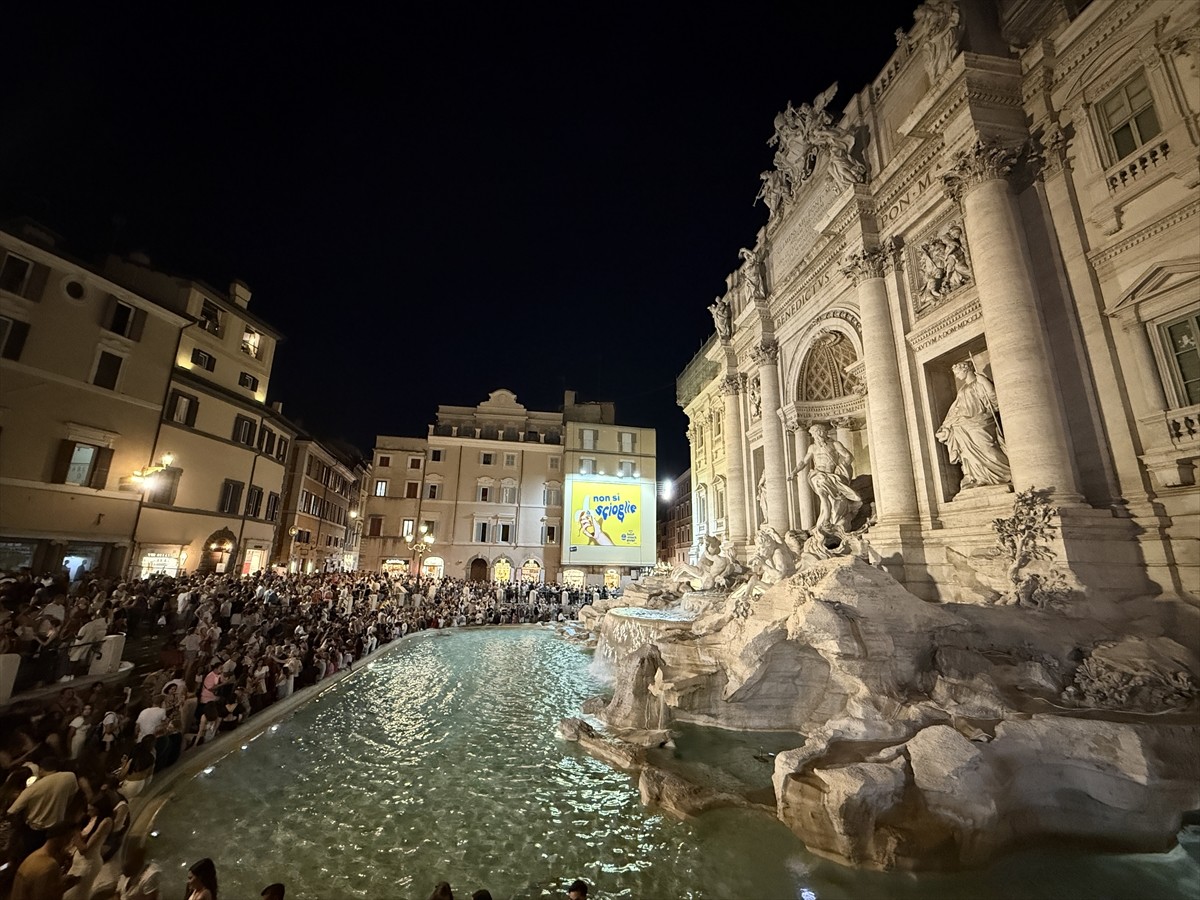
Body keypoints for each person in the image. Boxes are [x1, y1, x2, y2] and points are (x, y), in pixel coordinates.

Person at [935, 360, 1011, 490]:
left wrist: (986, 383)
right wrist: (945, 427)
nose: (957, 376)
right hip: (963, 425)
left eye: (958, 372)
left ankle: (1003, 474)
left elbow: (995, 401)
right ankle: (975, 477)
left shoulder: (980, 383)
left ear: (965, 369)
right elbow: (955, 410)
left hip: (981, 421)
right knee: (966, 451)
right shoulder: (962, 389)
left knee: (987, 447)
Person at [788, 422, 861, 532]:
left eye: (815, 435)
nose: (814, 437)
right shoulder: (812, 447)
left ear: (821, 433)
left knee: (838, 499)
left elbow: (848, 456)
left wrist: (842, 466)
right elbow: (804, 461)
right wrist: (794, 472)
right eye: (813, 435)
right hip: (818, 475)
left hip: (832, 476)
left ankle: (829, 520)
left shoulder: (835, 444)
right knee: (823, 494)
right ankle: (826, 520)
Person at [10, 822, 75, 900]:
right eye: (69, 838)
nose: (69, 843)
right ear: (62, 838)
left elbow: (34, 887)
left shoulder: (33, 856)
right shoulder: (50, 865)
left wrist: (59, 881)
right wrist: (66, 887)